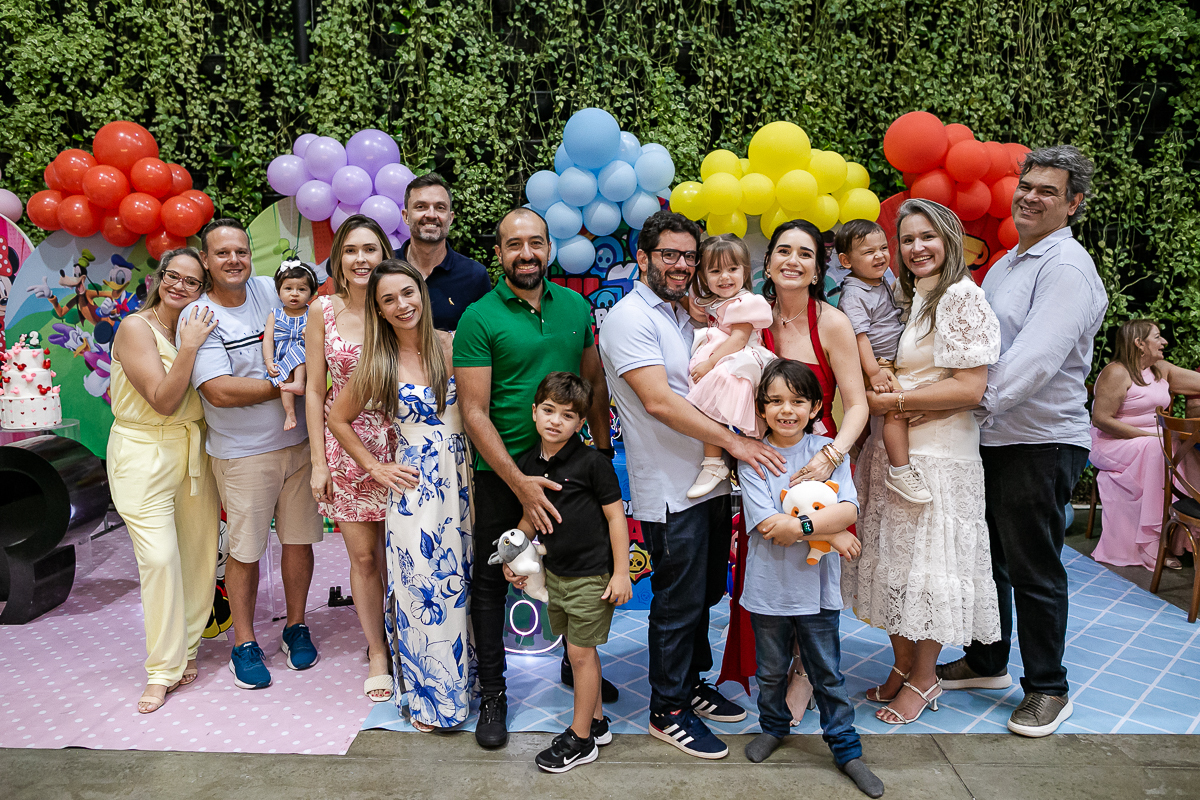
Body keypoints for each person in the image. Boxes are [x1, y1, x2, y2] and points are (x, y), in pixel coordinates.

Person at [935, 145, 1108, 738]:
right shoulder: (1010, 260)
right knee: (991, 560)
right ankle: (987, 661)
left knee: (1034, 565)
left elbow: (1032, 362)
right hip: (991, 435)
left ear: (1073, 204)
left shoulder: (1065, 268)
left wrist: (959, 403)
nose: (1031, 196)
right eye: (1027, 185)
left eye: (1048, 191)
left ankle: (1047, 688)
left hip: (1040, 440)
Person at [599, 209, 785, 759]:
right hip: (669, 488)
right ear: (643, 258)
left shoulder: (684, 315)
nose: (680, 265)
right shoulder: (630, 318)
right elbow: (658, 401)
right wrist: (736, 444)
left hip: (707, 486)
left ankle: (690, 682)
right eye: (668, 255)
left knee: (705, 593)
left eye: (687, 256)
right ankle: (667, 710)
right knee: (678, 603)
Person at [454, 207, 613, 748]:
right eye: (514, 244)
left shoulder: (576, 306)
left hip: (569, 474)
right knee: (493, 577)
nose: (526, 254)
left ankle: (579, 666)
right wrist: (520, 483)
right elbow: (473, 411)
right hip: (502, 474)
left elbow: (591, 385)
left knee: (574, 572)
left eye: (536, 243)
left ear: (549, 249)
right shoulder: (479, 317)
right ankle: (494, 696)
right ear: (498, 254)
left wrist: (603, 451)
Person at [841, 198, 1002, 726]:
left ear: (950, 238)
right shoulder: (915, 298)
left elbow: (971, 386)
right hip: (899, 450)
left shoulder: (961, 297)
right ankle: (901, 664)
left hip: (938, 455)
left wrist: (893, 403)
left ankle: (925, 678)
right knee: (896, 566)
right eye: (906, 239)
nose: (916, 248)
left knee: (927, 570)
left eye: (926, 237)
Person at [718, 219, 869, 693]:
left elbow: (858, 403)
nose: (792, 261)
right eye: (783, 251)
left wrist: (831, 455)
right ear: (767, 261)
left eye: (805, 254)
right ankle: (770, 672)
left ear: (818, 268)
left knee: (814, 566)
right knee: (767, 561)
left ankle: (807, 669)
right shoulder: (749, 317)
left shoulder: (833, 322)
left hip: (817, 459)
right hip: (762, 457)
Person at [328, 259, 474, 730]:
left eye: (407, 294)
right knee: (422, 587)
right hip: (415, 487)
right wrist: (373, 465)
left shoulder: (452, 345)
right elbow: (337, 417)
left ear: (422, 294)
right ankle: (432, 699)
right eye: (388, 299)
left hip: (464, 480)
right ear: (379, 309)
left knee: (466, 585)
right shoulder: (377, 360)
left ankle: (471, 687)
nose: (401, 305)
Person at [185, 218, 324, 690]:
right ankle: (243, 642)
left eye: (240, 251)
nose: (233, 260)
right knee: (244, 550)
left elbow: (318, 314)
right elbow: (219, 391)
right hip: (244, 453)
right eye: (221, 253)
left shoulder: (271, 290)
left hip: (300, 445)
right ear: (206, 260)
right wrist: (288, 385)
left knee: (299, 540)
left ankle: (296, 625)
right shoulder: (199, 316)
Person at [737, 359, 881, 798]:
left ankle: (846, 748)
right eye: (775, 401)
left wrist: (829, 528)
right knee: (771, 671)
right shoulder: (754, 456)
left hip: (819, 593)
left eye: (798, 401)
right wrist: (829, 531)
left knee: (828, 674)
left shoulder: (826, 454)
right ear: (761, 409)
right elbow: (770, 528)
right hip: (769, 590)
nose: (787, 410)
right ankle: (774, 726)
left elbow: (850, 509)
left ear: (816, 406)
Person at [107, 248, 220, 713]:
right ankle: (160, 670)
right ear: (160, 277)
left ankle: (187, 647)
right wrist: (191, 345)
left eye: (191, 282)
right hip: (142, 451)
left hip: (193, 451)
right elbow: (163, 400)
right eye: (174, 276)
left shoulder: (197, 324)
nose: (180, 286)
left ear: (202, 288)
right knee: (159, 559)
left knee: (198, 555)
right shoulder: (137, 327)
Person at [502, 372, 631, 773]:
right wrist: (511, 557)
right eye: (548, 410)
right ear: (535, 412)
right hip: (555, 575)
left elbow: (615, 519)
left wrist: (621, 573)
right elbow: (528, 518)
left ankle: (580, 739)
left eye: (568, 415)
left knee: (579, 654)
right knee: (578, 651)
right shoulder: (526, 464)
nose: (556, 421)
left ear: (581, 423)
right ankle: (596, 722)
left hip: (592, 575)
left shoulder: (593, 463)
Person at [304, 215, 396, 701]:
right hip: (346, 451)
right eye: (351, 250)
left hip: (402, 447)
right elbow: (316, 389)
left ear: (385, 255)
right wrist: (319, 463)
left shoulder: (397, 303)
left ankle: (413, 640)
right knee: (363, 557)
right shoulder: (321, 311)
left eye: (371, 249)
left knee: (402, 555)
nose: (361, 259)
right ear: (339, 258)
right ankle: (376, 651)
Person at [1090, 319, 1200, 570]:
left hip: (1155, 441)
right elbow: (1101, 419)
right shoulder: (1116, 372)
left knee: (1186, 448)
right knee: (1158, 448)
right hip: (1113, 443)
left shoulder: (1160, 369)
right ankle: (1152, 544)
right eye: (1158, 337)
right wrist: (1149, 437)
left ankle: (1191, 527)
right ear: (1140, 343)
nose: (1165, 342)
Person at [836, 219, 929, 505]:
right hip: (876, 364)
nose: (879, 256)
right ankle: (900, 470)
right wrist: (875, 373)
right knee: (895, 410)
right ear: (845, 260)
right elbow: (859, 336)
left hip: (887, 362)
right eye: (867, 252)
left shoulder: (876, 283)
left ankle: (869, 453)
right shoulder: (854, 293)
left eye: (882, 248)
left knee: (903, 410)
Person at [684, 234, 776, 498]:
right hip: (723, 354)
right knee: (709, 408)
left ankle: (723, 463)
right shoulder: (713, 301)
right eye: (715, 271)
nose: (725, 277)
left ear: (745, 270)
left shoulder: (745, 302)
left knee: (717, 389)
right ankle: (714, 462)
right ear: (702, 275)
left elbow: (739, 338)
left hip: (739, 358)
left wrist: (711, 363)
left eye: (732, 269)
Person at [398, 172, 492, 330]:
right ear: (406, 216)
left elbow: (485, 336)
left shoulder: (474, 276)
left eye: (440, 208)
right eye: (421, 207)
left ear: (451, 218)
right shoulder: (385, 266)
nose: (431, 215)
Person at [264, 260, 317, 431]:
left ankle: (300, 383)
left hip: (306, 360)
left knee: (299, 350)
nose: (294, 294)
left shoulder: (313, 313)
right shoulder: (275, 314)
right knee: (283, 380)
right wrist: (269, 361)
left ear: (311, 294)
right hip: (282, 359)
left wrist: (309, 337)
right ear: (279, 292)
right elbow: (268, 340)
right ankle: (290, 413)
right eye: (288, 289)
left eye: (301, 289)